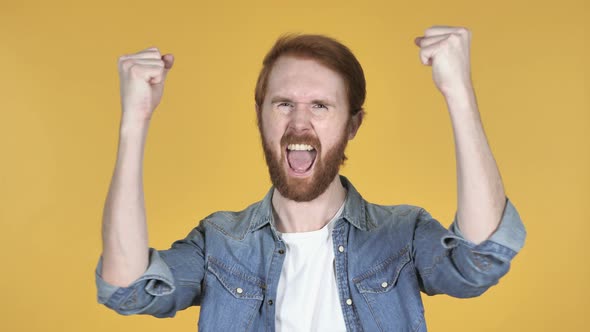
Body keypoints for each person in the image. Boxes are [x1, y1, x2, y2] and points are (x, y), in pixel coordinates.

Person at [95, 25, 526, 331]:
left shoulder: (402, 235)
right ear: (260, 118)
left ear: (352, 126)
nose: (299, 124)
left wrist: (459, 92)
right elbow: (127, 289)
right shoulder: (219, 243)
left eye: (320, 105)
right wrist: (135, 119)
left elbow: (481, 259)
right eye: (283, 104)